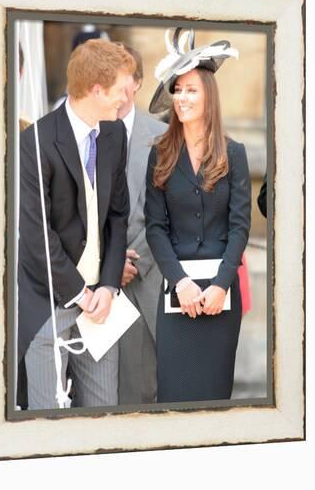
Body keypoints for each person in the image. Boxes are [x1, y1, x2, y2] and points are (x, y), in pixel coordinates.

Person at [18, 39, 134, 410]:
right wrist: (80, 294)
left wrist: (110, 286)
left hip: (101, 303)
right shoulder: (35, 141)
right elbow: (37, 235)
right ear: (96, 89)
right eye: (120, 90)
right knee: (48, 417)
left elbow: (118, 215)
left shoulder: (114, 134)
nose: (126, 99)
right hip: (49, 303)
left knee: (103, 411)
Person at [145, 28, 251, 403]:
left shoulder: (234, 153)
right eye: (178, 89)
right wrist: (181, 282)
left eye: (192, 89)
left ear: (209, 95)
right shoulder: (159, 154)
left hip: (221, 297)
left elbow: (240, 227)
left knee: (214, 399)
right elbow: (155, 228)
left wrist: (221, 284)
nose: (182, 97)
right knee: (174, 398)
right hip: (178, 295)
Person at [116, 46, 166, 405]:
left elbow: (167, 212)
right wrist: (109, 261)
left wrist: (133, 261)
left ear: (136, 83)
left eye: (121, 76)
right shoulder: (79, 130)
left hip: (146, 277)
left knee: (141, 390)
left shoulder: (162, 137)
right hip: (95, 282)